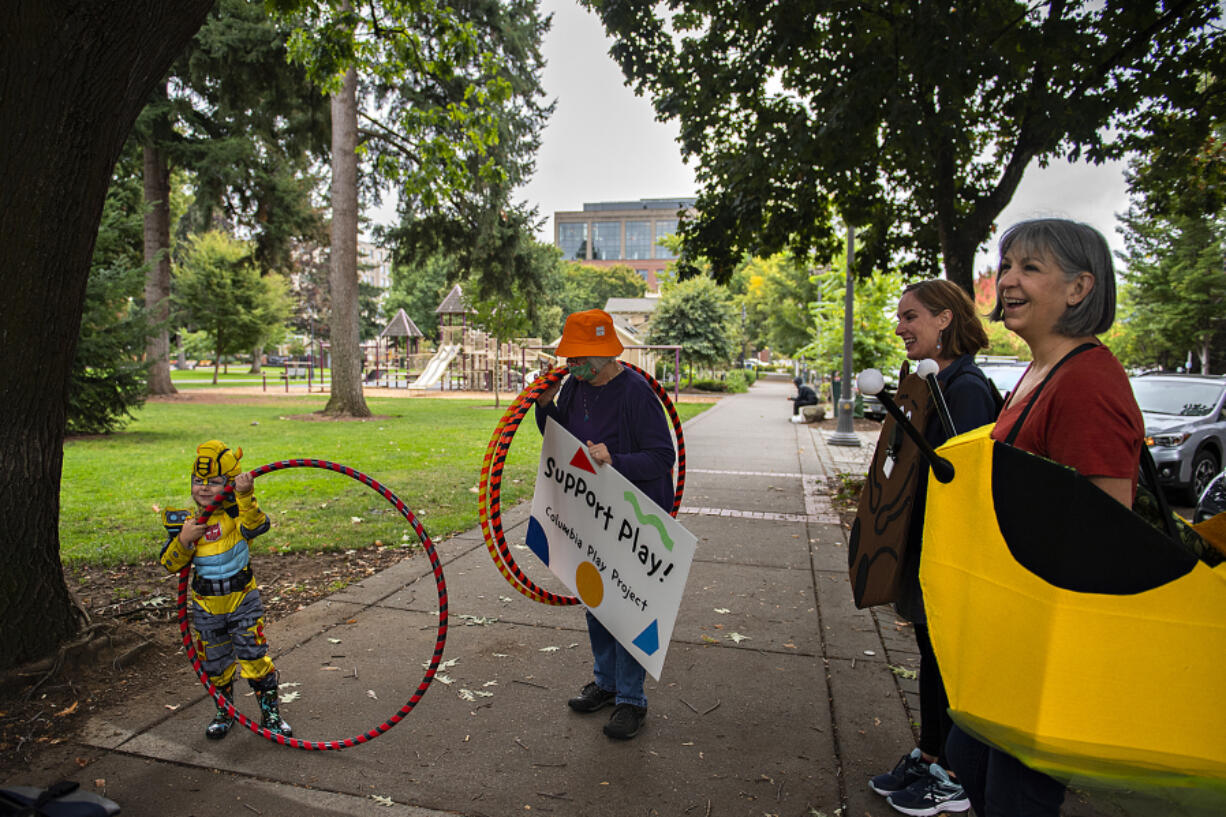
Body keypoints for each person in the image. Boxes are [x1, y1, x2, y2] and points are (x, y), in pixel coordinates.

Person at [943, 219, 1144, 816]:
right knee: (974, 767)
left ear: (1080, 289)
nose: (1007, 280)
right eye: (1006, 266)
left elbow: (1109, 534)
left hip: (1046, 658)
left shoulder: (1086, 382)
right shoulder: (1039, 372)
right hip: (1010, 642)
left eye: (1030, 268)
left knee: (1015, 798)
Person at [869, 280, 997, 817]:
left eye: (911, 316)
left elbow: (964, 483)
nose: (900, 327)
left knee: (945, 660)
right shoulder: (933, 382)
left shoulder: (963, 388)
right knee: (931, 656)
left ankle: (951, 774)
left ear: (945, 319)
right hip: (926, 545)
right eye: (899, 317)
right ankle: (931, 753)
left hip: (951, 551)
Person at [534, 309, 677, 740]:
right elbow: (560, 440)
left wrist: (615, 460)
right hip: (592, 511)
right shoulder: (577, 388)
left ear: (600, 356)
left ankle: (632, 700)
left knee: (628, 608)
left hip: (634, 518)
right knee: (595, 598)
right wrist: (545, 407)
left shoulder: (635, 393)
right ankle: (606, 681)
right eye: (568, 358)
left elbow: (661, 456)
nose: (569, 366)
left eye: (576, 358)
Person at [159, 440, 292, 740]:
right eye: (198, 481)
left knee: (254, 656)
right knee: (215, 663)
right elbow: (169, 564)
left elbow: (257, 526)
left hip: (242, 599)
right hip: (207, 606)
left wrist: (246, 496)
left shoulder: (236, 515)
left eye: (215, 482)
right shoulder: (187, 524)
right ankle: (225, 711)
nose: (204, 488)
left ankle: (270, 714)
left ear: (229, 483)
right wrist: (184, 540)